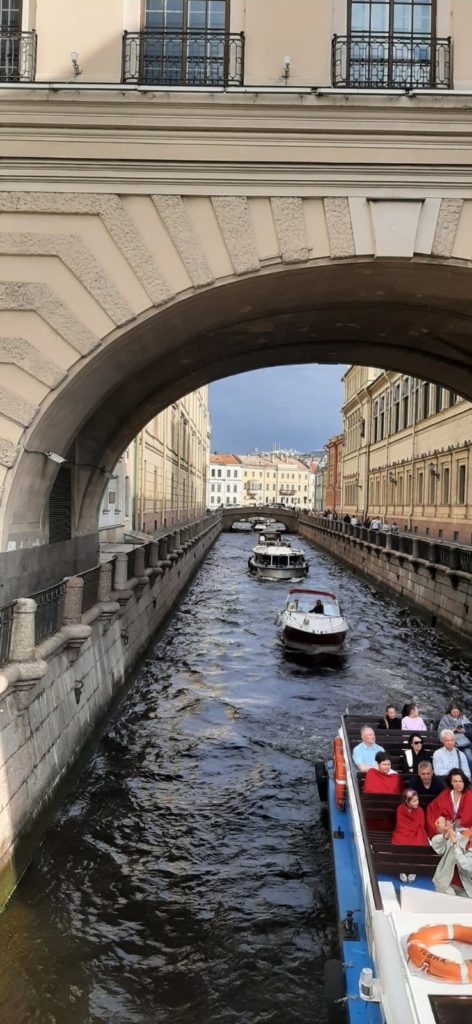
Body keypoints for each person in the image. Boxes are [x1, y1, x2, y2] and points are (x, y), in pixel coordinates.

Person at [431, 818, 472, 897]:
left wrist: (455, 844)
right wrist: (445, 836)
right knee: (452, 902)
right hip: (446, 883)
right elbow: (435, 844)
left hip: (467, 888)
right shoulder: (459, 838)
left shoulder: (455, 841)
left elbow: (465, 866)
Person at [426, 768, 472, 837]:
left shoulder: (469, 795)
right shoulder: (445, 794)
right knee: (440, 820)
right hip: (447, 826)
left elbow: (467, 818)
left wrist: (452, 826)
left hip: (462, 827)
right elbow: (432, 808)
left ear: (464, 782)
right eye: (455, 781)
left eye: (460, 781)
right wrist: (442, 821)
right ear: (451, 782)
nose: (458, 784)